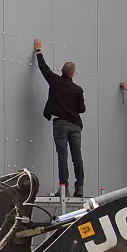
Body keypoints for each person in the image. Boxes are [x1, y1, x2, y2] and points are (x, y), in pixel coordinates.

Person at [34, 39, 87, 197]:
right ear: (72, 74)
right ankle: (80, 188)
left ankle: (64, 189)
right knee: (77, 156)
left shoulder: (55, 81)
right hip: (75, 125)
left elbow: (44, 68)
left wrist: (38, 51)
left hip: (60, 124)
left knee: (62, 156)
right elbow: (82, 109)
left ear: (62, 71)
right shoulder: (77, 89)